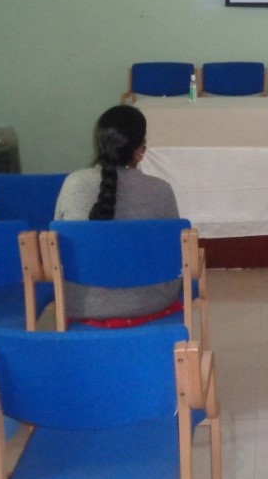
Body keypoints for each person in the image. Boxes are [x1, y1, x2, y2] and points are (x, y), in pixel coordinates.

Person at [53, 105, 182, 322]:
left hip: (80, 302)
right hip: (148, 301)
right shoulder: (160, 190)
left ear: (99, 144)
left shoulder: (72, 183)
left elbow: (57, 248)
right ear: (140, 150)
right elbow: (174, 253)